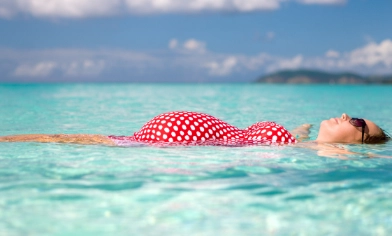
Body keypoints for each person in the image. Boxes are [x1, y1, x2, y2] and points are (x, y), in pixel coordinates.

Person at [0, 111, 389, 157]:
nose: (346, 116)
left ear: (357, 145)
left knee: (68, 139)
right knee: (77, 138)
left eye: (358, 123)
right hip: (168, 132)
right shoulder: (297, 141)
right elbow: (292, 135)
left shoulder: (327, 153)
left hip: (168, 139)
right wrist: (299, 129)